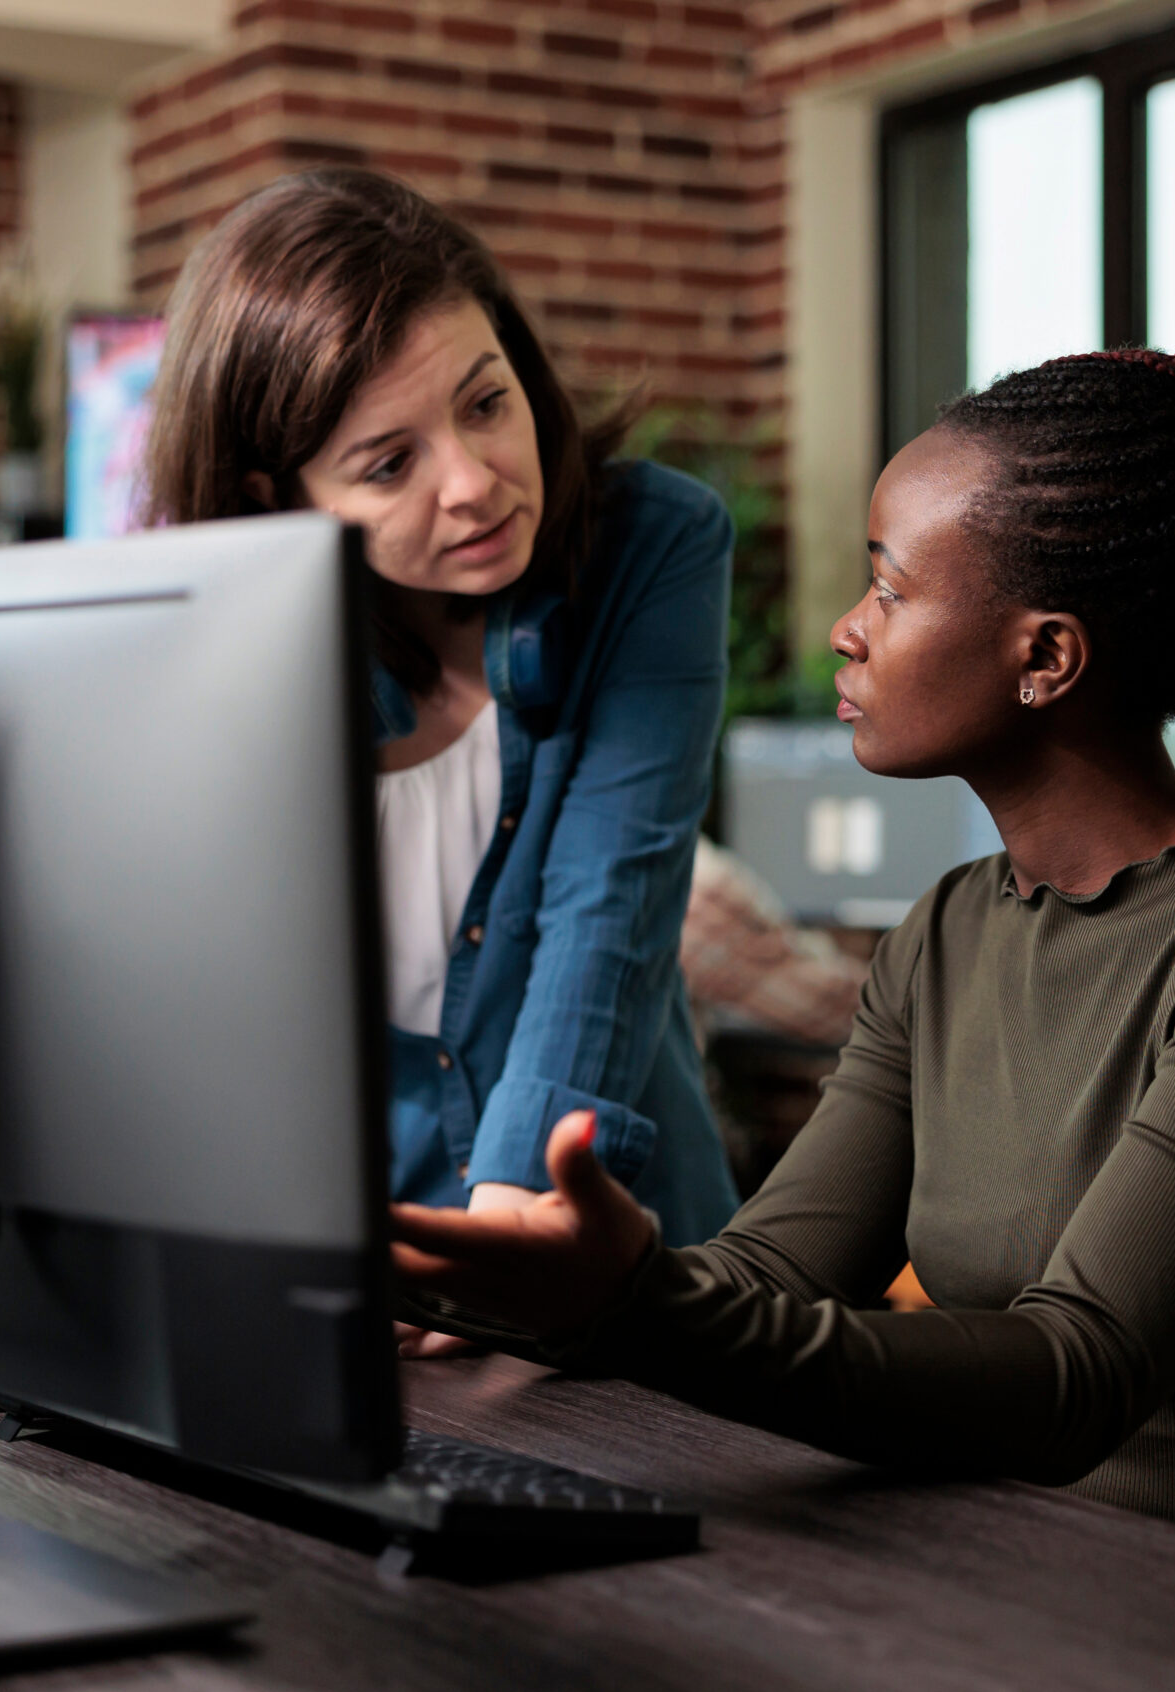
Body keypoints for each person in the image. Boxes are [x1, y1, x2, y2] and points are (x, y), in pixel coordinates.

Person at [390, 321, 1175, 1575]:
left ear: (1045, 656)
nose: (847, 628)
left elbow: (1074, 1374)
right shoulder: (947, 932)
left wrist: (634, 1309)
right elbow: (772, 1272)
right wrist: (472, 1286)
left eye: (890, 589)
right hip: (986, 1566)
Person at [141, 169, 742, 1255]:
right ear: (276, 499)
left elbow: (608, 904)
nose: (472, 483)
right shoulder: (212, 649)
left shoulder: (650, 545)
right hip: (355, 1255)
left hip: (605, 1237)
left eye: (484, 403)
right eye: (387, 465)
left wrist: (511, 1220)